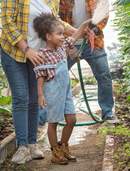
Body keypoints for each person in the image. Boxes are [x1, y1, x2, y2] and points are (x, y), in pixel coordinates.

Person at [0, 0, 75, 165]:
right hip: (15, 52)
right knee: (22, 98)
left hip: (39, 56)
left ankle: (33, 145)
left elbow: (56, 22)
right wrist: (26, 49)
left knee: (35, 101)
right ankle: (22, 146)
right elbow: (7, 23)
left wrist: (78, 30)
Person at [58, 0, 118, 123]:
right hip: (69, 42)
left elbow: (104, 15)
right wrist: (70, 46)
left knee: (104, 75)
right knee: (57, 75)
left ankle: (107, 112)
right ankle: (52, 115)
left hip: (93, 42)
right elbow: (57, 21)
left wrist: (95, 28)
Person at [34, 13, 91, 165]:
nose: (62, 36)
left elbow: (75, 37)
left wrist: (84, 25)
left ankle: (64, 146)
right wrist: (40, 95)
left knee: (72, 120)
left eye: (62, 33)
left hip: (65, 91)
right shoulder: (42, 54)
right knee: (53, 123)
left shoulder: (62, 48)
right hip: (52, 93)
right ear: (48, 36)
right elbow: (40, 77)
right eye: (59, 34)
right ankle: (55, 152)